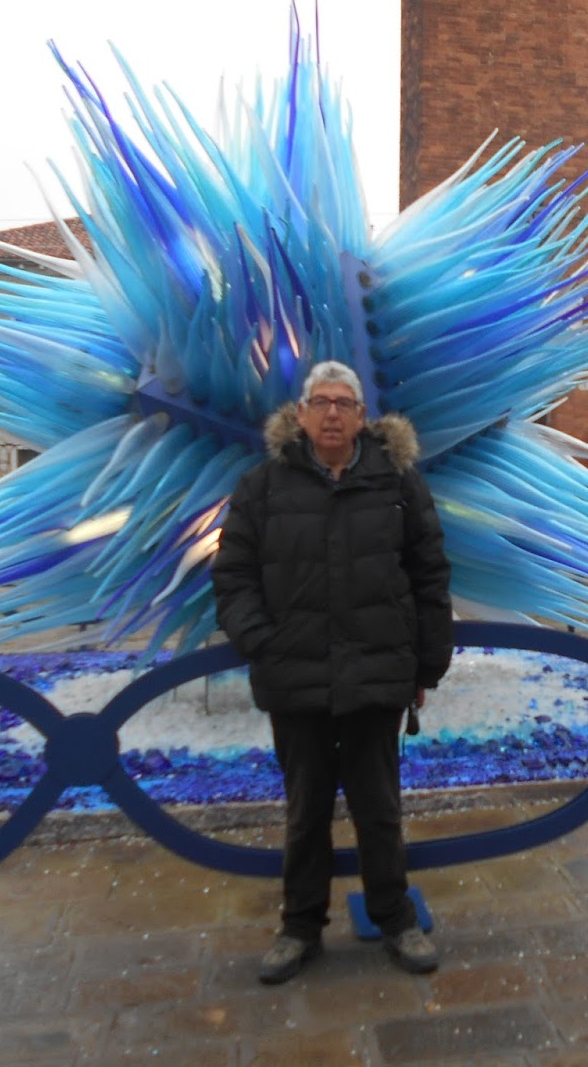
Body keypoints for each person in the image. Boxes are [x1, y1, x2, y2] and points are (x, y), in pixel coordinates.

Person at [211, 361, 454, 984]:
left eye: (344, 403)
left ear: (362, 417)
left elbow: (429, 573)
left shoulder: (398, 484)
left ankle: (394, 917)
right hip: (296, 678)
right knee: (305, 811)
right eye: (321, 402)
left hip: (375, 673)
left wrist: (428, 663)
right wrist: (263, 643)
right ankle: (299, 927)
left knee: (380, 808)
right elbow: (233, 576)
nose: (332, 414)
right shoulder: (262, 487)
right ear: (301, 413)